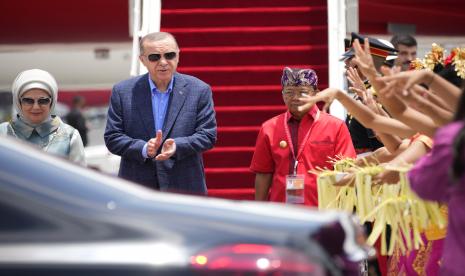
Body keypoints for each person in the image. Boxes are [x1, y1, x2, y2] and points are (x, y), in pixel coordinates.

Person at [104, 32, 216, 194]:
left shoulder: (199, 90)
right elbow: (113, 137)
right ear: (142, 60)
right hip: (137, 188)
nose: (163, 62)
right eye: (155, 57)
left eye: (169, 55)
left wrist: (177, 146)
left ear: (178, 56)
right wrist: (143, 148)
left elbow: (208, 135)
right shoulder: (123, 92)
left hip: (185, 185)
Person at [250, 67, 356, 206]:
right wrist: (259, 209)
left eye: (303, 92)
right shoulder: (269, 128)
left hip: (324, 209)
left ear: (316, 93)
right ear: (282, 94)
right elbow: (263, 173)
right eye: (289, 92)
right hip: (282, 209)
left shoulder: (336, 127)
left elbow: (347, 170)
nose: (295, 98)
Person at [0, 69, 85, 165]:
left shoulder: (70, 136)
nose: (36, 107)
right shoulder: (2, 133)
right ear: (18, 102)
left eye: (43, 101)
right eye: (28, 100)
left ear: (52, 102)